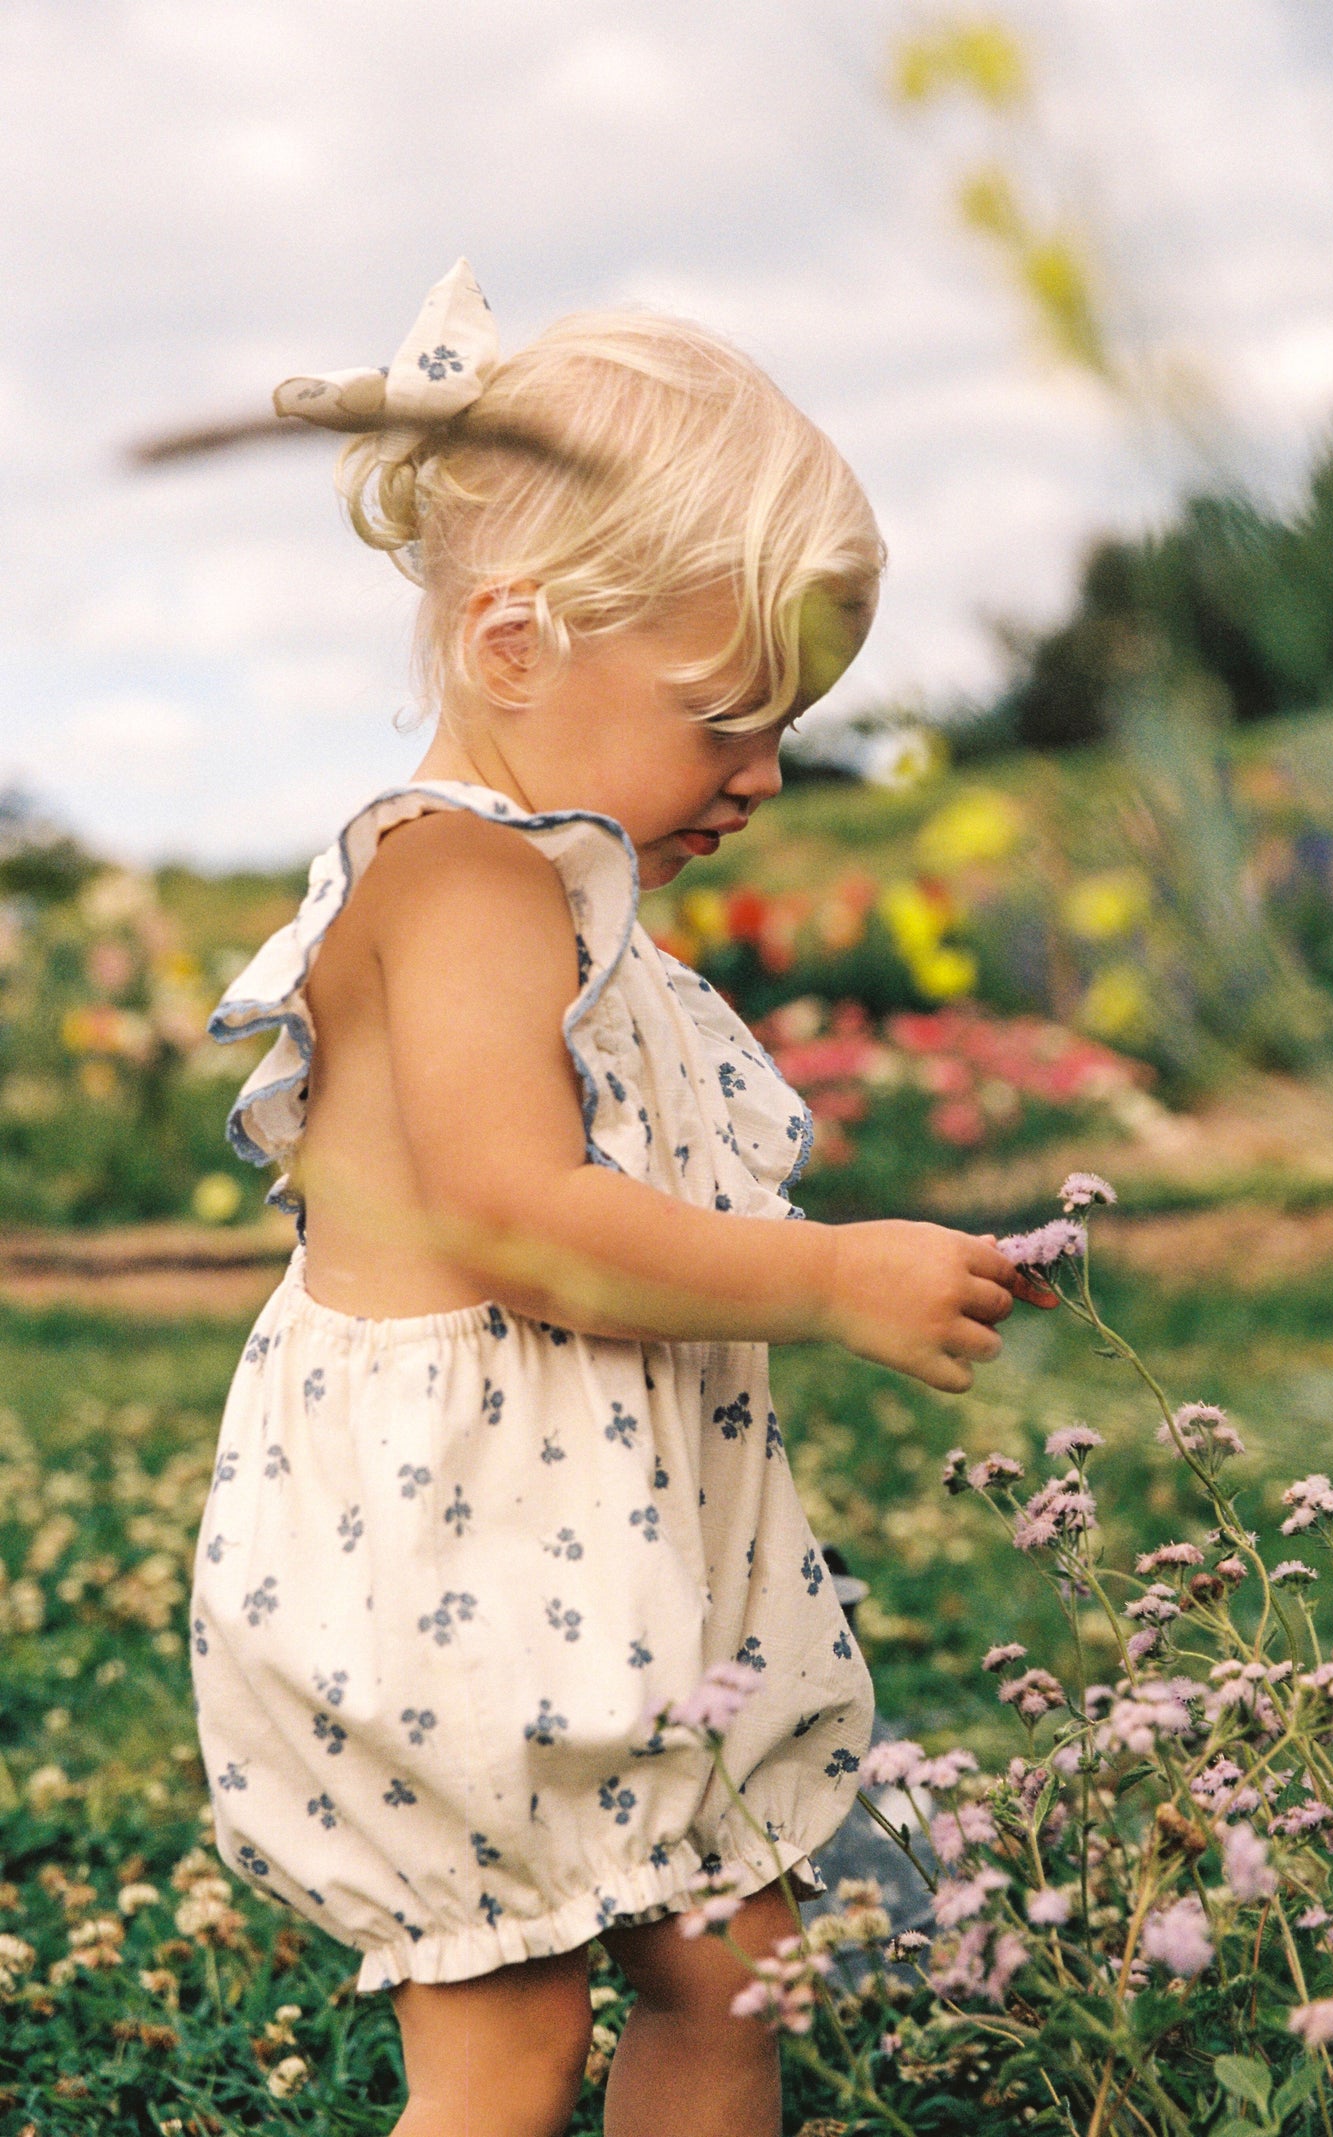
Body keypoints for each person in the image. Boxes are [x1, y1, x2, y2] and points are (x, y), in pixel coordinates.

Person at [191, 261, 1051, 2137]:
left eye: (788, 728)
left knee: (733, 1961)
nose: (757, 775)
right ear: (513, 648)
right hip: (460, 1561)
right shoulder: (458, 884)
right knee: (505, 2036)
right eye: (724, 717)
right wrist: (821, 1278)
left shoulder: (564, 890)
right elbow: (522, 1219)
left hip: (608, 1535)